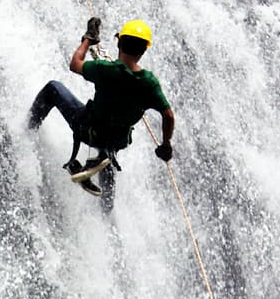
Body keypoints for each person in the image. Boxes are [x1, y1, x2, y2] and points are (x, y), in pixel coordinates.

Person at [28, 18, 174, 207]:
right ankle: (107, 210)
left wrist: (88, 40)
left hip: (87, 129)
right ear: (143, 50)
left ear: (119, 43)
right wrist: (166, 144)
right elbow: (168, 115)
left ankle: (27, 131)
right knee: (108, 152)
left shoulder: (105, 69)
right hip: (115, 140)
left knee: (53, 88)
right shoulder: (149, 83)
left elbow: (75, 64)